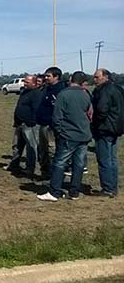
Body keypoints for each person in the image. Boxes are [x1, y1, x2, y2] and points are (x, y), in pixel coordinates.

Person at [37, 71, 92, 201]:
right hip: (83, 135)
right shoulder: (86, 95)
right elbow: (90, 114)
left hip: (68, 134)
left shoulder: (64, 94)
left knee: (59, 162)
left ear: (71, 79)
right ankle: (74, 192)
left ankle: (54, 192)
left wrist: (59, 132)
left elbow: (57, 117)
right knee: (78, 164)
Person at [90, 68, 124, 197]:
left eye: (97, 77)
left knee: (104, 159)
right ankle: (113, 186)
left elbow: (102, 110)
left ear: (106, 77)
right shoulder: (118, 88)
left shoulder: (104, 90)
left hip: (105, 128)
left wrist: (95, 124)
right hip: (116, 127)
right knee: (112, 159)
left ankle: (108, 188)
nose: (94, 80)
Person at [36, 67, 67, 178]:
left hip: (51, 126)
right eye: (45, 76)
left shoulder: (60, 90)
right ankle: (45, 172)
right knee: (42, 150)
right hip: (42, 124)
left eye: (48, 76)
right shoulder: (47, 88)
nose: (45, 78)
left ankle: (55, 174)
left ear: (56, 77)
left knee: (51, 150)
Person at [7, 75, 41, 175]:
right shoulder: (24, 92)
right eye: (24, 82)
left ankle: (30, 168)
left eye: (27, 82)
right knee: (16, 145)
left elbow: (36, 110)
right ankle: (14, 164)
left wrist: (31, 122)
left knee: (31, 147)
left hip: (29, 125)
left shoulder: (36, 94)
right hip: (19, 123)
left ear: (34, 83)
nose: (24, 84)